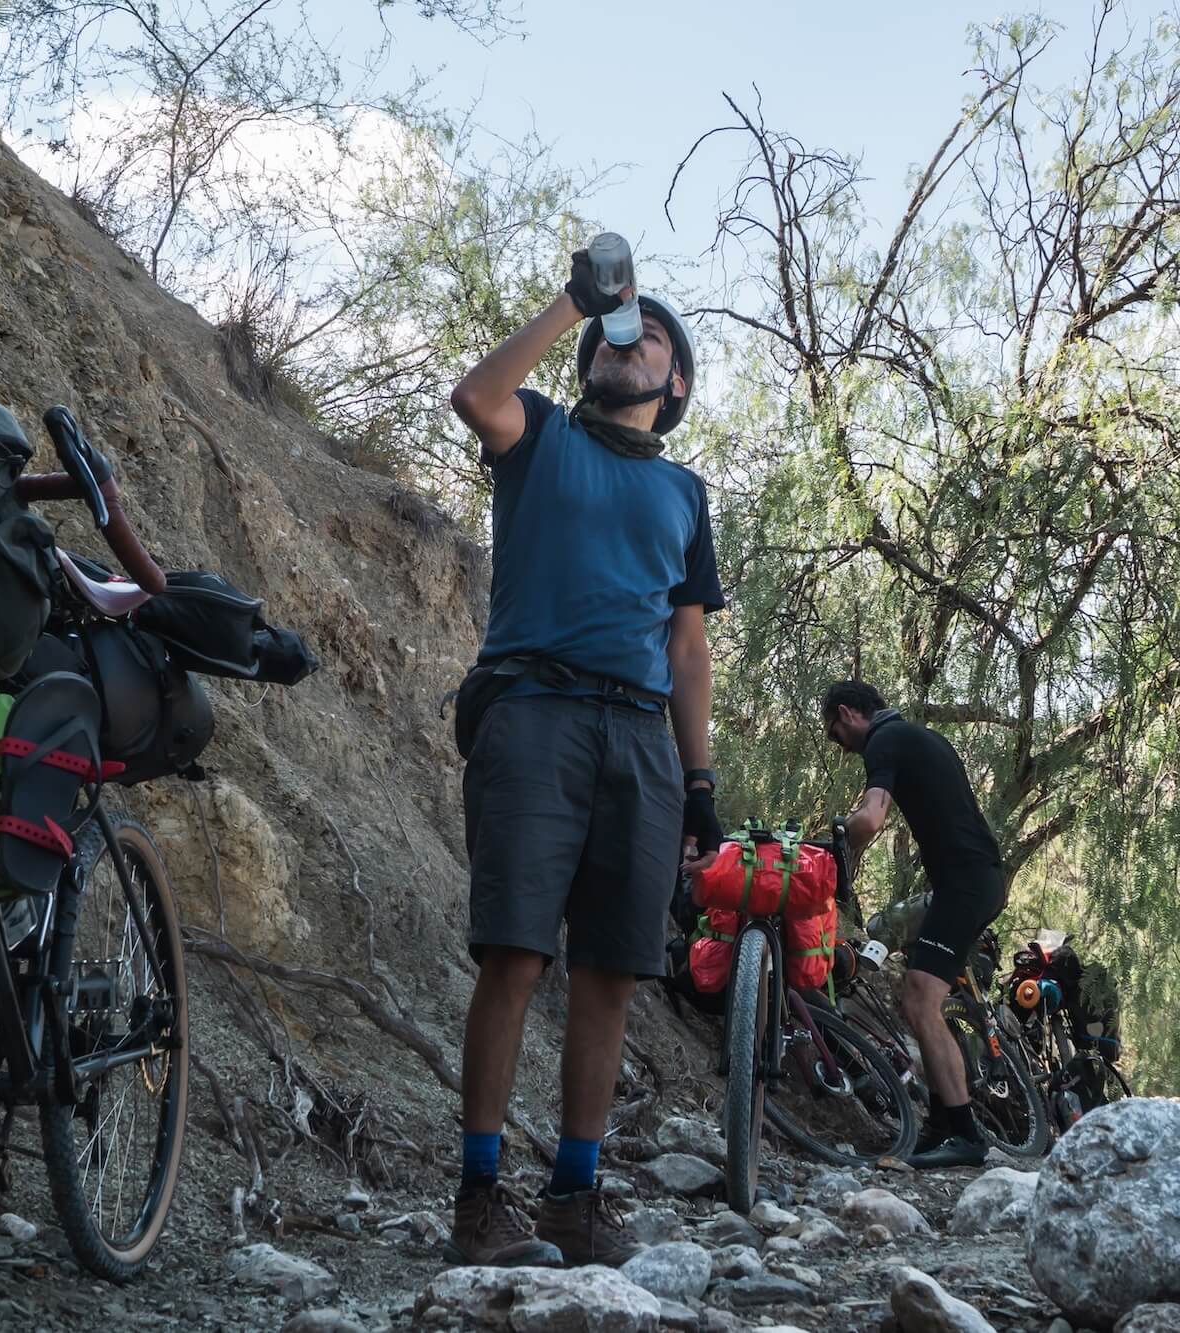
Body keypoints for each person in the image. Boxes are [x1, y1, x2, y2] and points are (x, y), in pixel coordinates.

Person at [443, 249, 725, 1266]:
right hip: (532, 710)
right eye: (618, 332)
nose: (626, 339)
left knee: (610, 971)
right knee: (516, 952)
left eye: (647, 335)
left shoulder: (687, 495)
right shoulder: (540, 436)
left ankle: (574, 1192)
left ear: (675, 383)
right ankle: (478, 1199)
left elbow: (687, 648)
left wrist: (698, 781)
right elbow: (475, 393)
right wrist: (577, 302)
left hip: (642, 739)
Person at [823, 680, 1006, 1169]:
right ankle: (945, 1122)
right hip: (972, 882)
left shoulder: (884, 740)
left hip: (966, 884)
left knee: (918, 998)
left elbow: (871, 819)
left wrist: (829, 844)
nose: (842, 746)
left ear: (848, 713)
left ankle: (966, 1136)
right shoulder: (920, 736)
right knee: (919, 998)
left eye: (836, 734)